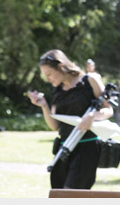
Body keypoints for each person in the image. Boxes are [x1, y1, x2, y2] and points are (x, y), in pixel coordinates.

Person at [27, 49, 114, 190]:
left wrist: (92, 116)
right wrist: (44, 106)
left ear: (61, 67)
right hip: (63, 148)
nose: (47, 79)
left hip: (86, 148)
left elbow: (108, 110)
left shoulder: (90, 80)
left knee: (71, 195)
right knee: (58, 194)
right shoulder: (57, 89)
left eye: (49, 74)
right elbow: (55, 126)